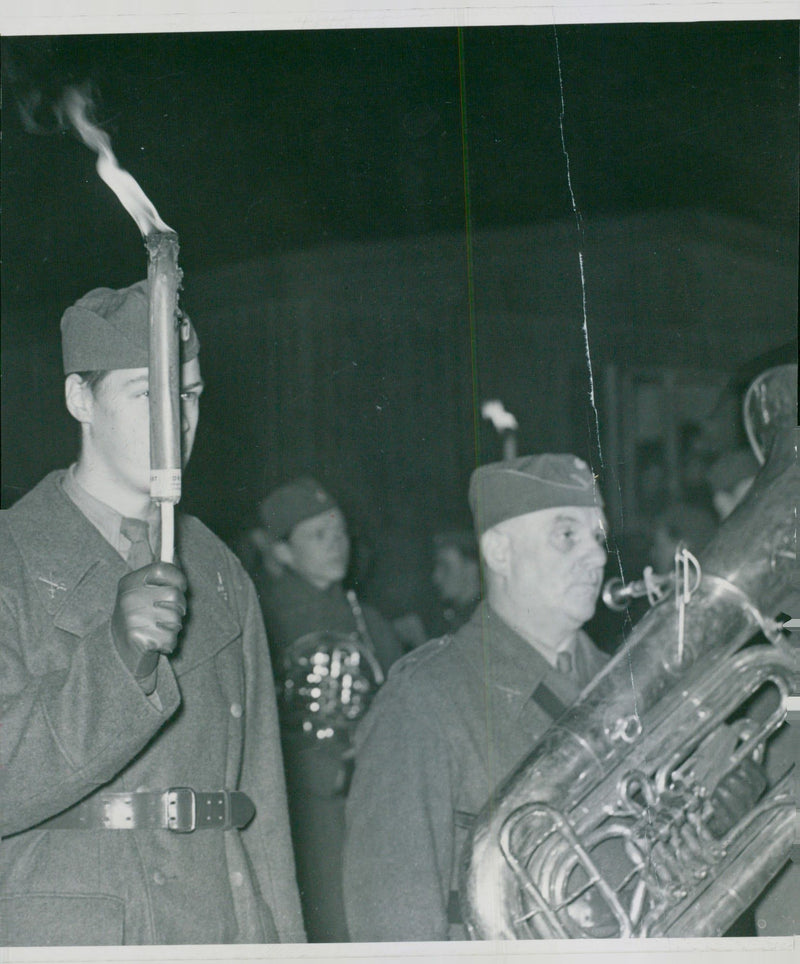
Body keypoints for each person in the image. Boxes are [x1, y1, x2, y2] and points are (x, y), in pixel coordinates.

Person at [0, 281, 305, 946]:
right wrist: (115, 658)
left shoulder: (218, 567)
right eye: (148, 395)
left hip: (218, 929)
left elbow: (264, 808)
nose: (176, 422)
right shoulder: (13, 560)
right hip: (76, 936)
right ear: (80, 398)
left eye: (188, 396)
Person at [342, 453, 610, 941]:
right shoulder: (424, 702)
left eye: (598, 536)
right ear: (500, 553)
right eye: (567, 535)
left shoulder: (629, 683)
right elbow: (395, 931)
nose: (595, 555)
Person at [252, 477, 403, 942]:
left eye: (339, 531)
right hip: (308, 812)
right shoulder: (261, 620)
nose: (337, 544)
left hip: (375, 800)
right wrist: (322, 772)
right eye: (318, 534)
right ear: (281, 552)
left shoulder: (367, 618)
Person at [429, 528, 481, 635]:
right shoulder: (450, 616)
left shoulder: (482, 621)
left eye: (446, 567)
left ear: (471, 568)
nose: (436, 577)